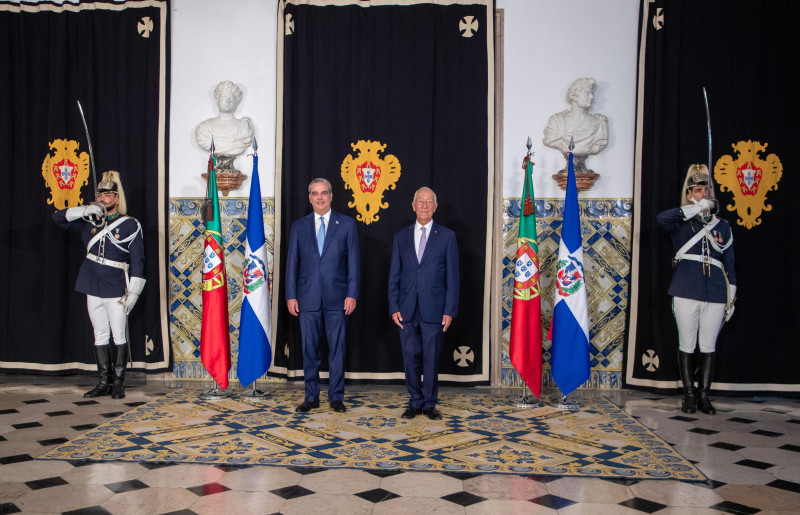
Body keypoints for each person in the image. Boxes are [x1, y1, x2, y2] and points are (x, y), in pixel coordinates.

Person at [53, 171, 146, 400]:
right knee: (100, 334)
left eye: (107, 195)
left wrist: (133, 292)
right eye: (100, 195)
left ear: (116, 198)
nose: (102, 199)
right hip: (91, 283)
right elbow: (57, 218)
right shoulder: (89, 220)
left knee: (118, 334)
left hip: (115, 286)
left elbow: (138, 261)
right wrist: (84, 210)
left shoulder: (130, 225)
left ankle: (118, 383)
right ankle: (103, 382)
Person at [657, 164, 736, 415]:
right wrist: (694, 209)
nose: (703, 194)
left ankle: (705, 395)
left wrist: (731, 295)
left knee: (708, 345)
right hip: (685, 288)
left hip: (714, 291)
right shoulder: (682, 222)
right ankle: (689, 394)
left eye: (706, 190)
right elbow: (662, 219)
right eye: (697, 190)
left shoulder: (722, 226)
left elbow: (729, 264)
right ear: (690, 194)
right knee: (687, 343)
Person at [285, 178, 360, 413]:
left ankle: (336, 397)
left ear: (331, 196)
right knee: (309, 349)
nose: (319, 197)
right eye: (315, 193)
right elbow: (292, 265)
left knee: (337, 349)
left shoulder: (346, 224)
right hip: (307, 298)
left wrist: (352, 294)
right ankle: (311, 397)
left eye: (324, 193)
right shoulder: (299, 226)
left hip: (338, 299)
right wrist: (290, 295)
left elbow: (354, 264)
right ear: (309, 197)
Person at [388, 187, 459, 420]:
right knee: (410, 358)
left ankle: (429, 403)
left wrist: (450, 309)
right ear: (413, 205)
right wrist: (394, 307)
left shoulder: (447, 236)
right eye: (421, 201)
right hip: (406, 310)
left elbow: (453, 277)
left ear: (435, 207)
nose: (425, 206)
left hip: (435, 310)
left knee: (431, 359)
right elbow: (394, 277)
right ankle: (414, 401)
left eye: (429, 202)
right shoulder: (400, 237)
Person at [543, 77, 608, 157]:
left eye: (592, 93)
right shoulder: (557, 121)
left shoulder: (599, 122)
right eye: (587, 93)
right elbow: (549, 140)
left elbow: (598, 145)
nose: (591, 97)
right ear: (574, 96)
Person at [194, 80, 255, 157]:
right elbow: (202, 140)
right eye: (224, 96)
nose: (228, 100)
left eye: (231, 98)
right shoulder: (204, 128)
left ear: (237, 102)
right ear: (217, 100)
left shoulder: (243, 127)